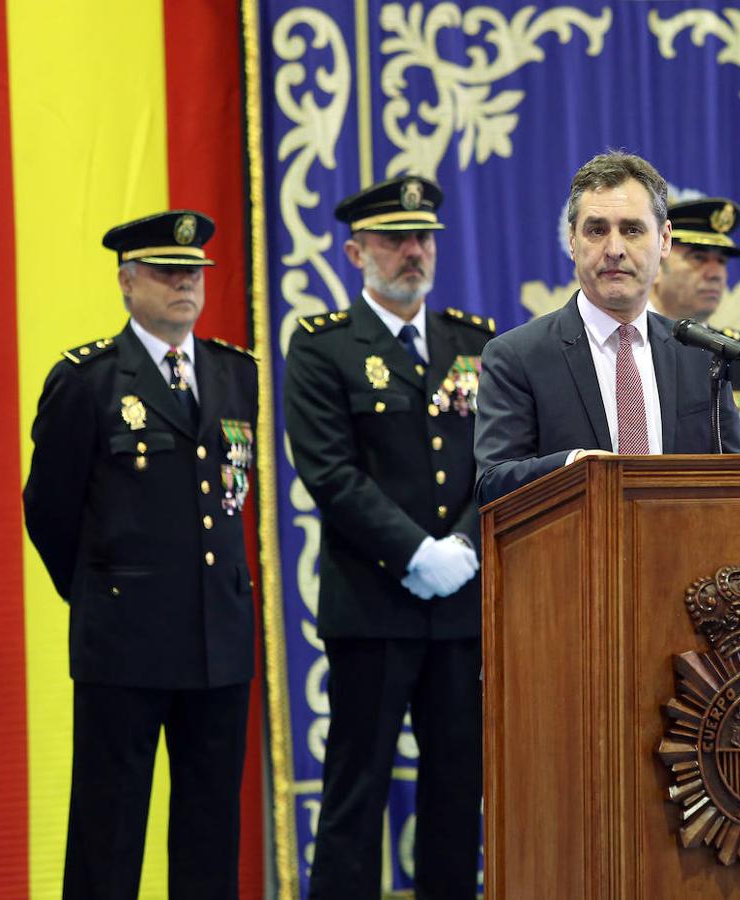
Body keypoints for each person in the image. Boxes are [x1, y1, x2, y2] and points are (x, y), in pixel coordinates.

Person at [22, 210, 258, 899]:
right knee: (109, 832)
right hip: (124, 642)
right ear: (127, 283)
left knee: (210, 834)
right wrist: (105, 591)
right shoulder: (89, 380)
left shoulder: (233, 372)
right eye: (165, 272)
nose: (185, 284)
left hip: (218, 638)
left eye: (194, 273)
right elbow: (49, 511)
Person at [284, 174, 493, 899]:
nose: (412, 252)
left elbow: (496, 459)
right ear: (354, 252)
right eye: (394, 239)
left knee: (455, 796)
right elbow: (331, 474)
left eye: (423, 238)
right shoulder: (323, 349)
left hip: (461, 610)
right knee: (355, 796)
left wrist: (462, 550)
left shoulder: (474, 342)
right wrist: (415, 553)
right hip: (373, 605)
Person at [474, 151, 740, 505]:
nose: (615, 249)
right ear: (573, 241)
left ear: (664, 240)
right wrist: (576, 467)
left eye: (632, 229)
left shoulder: (699, 354)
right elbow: (493, 483)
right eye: (596, 230)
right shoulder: (518, 356)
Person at [651, 196, 740, 451]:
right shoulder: (629, 346)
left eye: (721, 261)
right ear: (657, 264)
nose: (715, 273)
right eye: (698, 257)